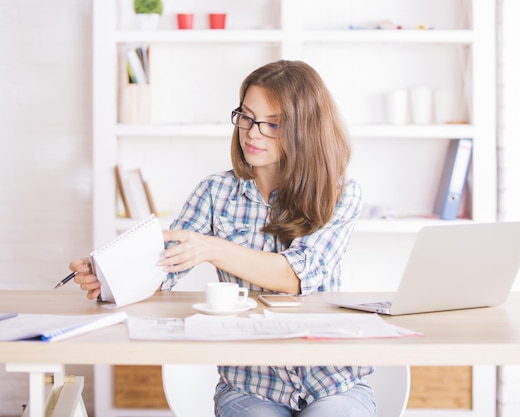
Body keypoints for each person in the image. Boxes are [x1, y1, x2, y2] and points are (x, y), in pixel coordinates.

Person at [70, 60, 374, 417]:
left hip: (332, 380)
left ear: (305, 129)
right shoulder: (215, 192)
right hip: (252, 386)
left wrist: (213, 249)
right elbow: (160, 270)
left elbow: (296, 276)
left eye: (272, 124)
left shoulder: (339, 193)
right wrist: (106, 276)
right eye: (246, 117)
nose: (252, 133)